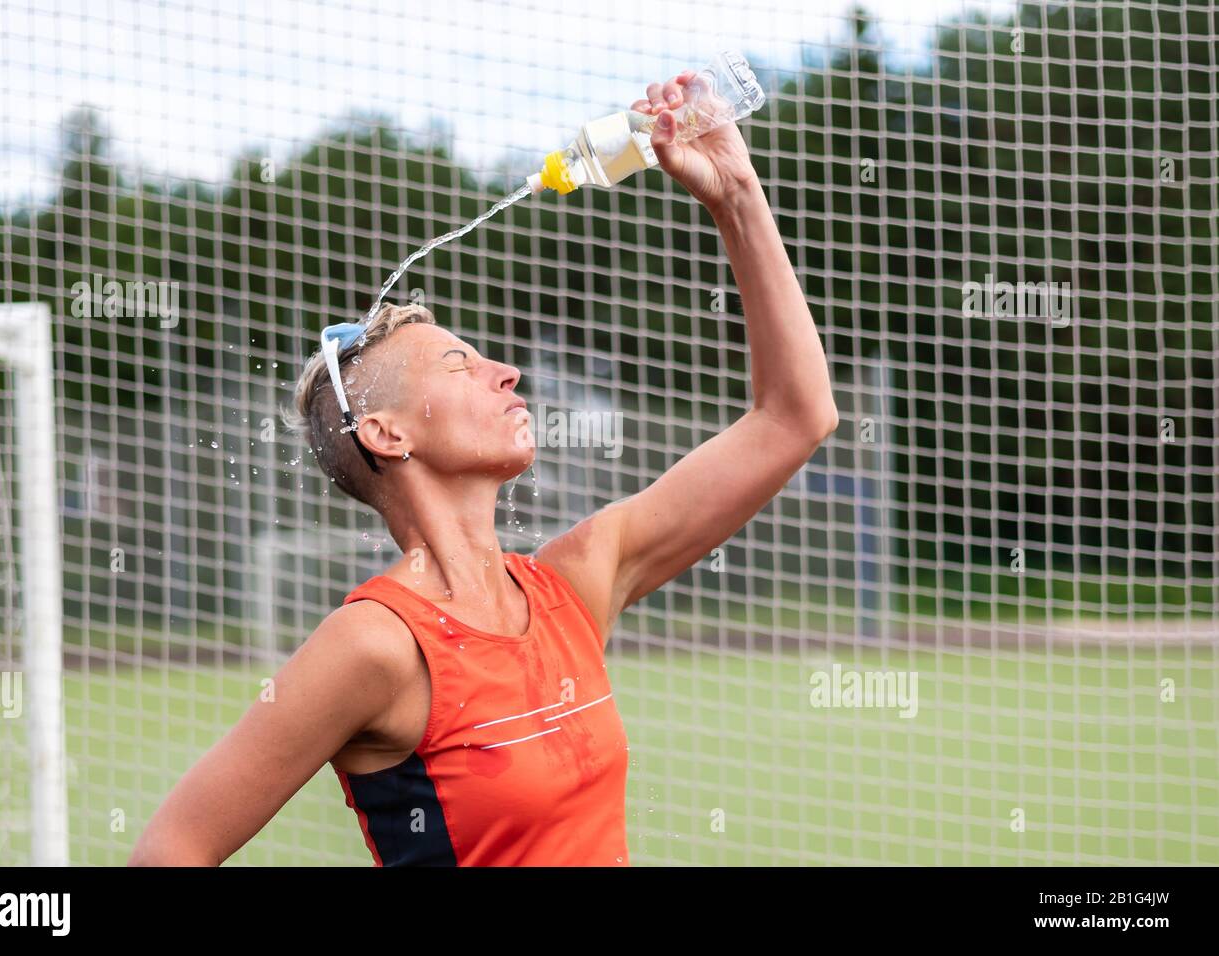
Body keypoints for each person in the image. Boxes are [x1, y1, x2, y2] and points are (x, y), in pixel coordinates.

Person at [129, 69, 838, 866]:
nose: (506, 372)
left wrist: (735, 192)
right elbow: (170, 851)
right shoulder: (376, 646)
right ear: (388, 434)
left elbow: (794, 417)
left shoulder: (577, 581)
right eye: (458, 364)